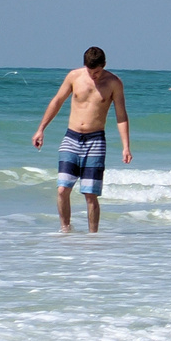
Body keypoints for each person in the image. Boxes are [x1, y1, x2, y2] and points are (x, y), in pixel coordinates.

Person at [30, 46, 132, 233]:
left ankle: (93, 236)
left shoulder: (114, 83)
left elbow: (121, 116)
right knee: (62, 189)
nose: (94, 76)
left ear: (104, 65)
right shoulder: (74, 77)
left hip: (96, 140)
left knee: (90, 194)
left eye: (98, 72)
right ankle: (65, 230)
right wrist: (41, 129)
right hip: (71, 137)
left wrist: (126, 146)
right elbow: (57, 101)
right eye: (90, 71)